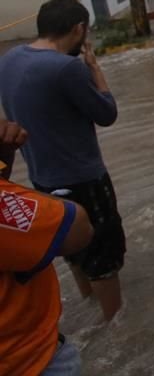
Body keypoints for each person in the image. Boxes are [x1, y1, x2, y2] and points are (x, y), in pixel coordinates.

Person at [0, 0, 125, 321]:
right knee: (104, 256)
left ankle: (89, 304)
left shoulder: (10, 59)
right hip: (85, 177)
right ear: (79, 29)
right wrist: (95, 69)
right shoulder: (67, 68)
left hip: (42, 179)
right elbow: (107, 113)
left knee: (71, 247)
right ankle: (116, 324)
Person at [1, 118, 95, 376]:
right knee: (103, 259)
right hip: (30, 362)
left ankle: (97, 309)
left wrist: (2, 162)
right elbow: (77, 229)